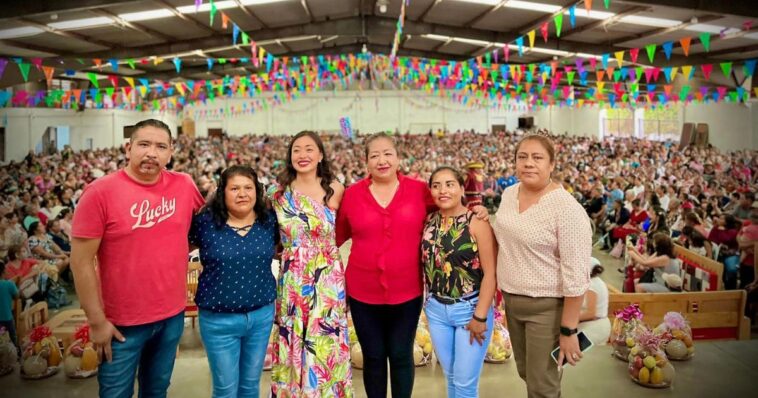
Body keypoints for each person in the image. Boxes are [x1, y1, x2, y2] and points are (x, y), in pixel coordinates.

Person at [336, 133, 487, 398]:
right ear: (366, 161)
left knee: (401, 354)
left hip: (408, 291)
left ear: (398, 158)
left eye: (388, 154)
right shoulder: (352, 195)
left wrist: (476, 210)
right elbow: (335, 236)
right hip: (363, 292)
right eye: (374, 155)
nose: (382, 160)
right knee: (372, 357)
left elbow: (448, 206)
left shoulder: (419, 191)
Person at [70, 119, 205, 398]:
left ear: (171, 152)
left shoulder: (184, 185)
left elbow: (204, 231)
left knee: (156, 391)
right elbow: (80, 262)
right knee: (115, 393)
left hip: (171, 316)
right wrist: (96, 321)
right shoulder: (99, 193)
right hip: (120, 324)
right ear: (128, 148)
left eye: (160, 146)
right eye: (143, 144)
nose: (151, 153)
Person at [492, 134, 592, 398]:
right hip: (512, 302)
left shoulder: (566, 209)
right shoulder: (509, 193)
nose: (528, 163)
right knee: (526, 372)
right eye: (522, 157)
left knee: (542, 385)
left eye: (537, 158)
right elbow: (504, 236)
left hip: (546, 309)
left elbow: (576, 275)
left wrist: (568, 330)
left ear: (551, 164)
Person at [268, 131, 352, 397]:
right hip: (293, 277)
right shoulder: (277, 193)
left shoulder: (336, 189)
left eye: (309, 149)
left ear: (321, 155)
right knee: (293, 339)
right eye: (296, 150)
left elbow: (354, 226)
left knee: (324, 341)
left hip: (327, 278)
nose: (302, 155)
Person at [189, 165, 279, 398]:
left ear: (257, 192)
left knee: (250, 387)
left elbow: (282, 251)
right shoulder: (204, 223)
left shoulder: (269, 221)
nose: (242, 194)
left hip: (260, 316)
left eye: (248, 187)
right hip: (218, 320)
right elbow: (180, 251)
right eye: (235, 188)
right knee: (225, 390)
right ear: (222, 192)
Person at [421, 167, 497, 398]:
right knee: (451, 377)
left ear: (462, 188)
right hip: (436, 311)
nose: (443, 190)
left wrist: (480, 316)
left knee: (465, 385)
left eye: (450, 184)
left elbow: (491, 274)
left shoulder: (477, 222)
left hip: (470, 310)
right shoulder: (429, 221)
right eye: (436, 185)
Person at [578, 258, 610, 346]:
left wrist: (568, 319)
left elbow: (590, 313)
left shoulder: (591, 284)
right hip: (598, 325)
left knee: (572, 354)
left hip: (594, 328)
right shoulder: (598, 282)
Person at [0, 261, 19, 348]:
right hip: (7, 317)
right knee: (13, 337)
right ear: (4, 271)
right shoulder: (9, 284)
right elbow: (17, 296)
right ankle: (17, 355)